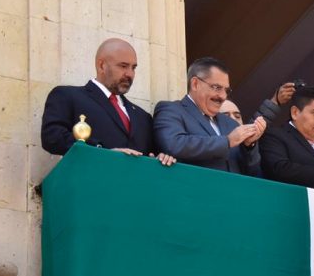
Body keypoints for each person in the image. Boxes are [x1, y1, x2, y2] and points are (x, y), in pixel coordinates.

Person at [40, 38, 175, 166]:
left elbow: (152, 155)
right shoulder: (67, 96)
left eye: (133, 68)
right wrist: (103, 153)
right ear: (101, 66)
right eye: (123, 66)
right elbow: (52, 138)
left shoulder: (143, 117)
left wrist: (162, 158)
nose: (130, 74)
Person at [153, 57, 266, 174]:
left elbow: (253, 172)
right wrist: (227, 141)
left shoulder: (231, 123)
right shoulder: (172, 110)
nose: (223, 96)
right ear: (195, 84)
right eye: (216, 88)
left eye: (226, 90)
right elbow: (173, 145)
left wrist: (249, 146)